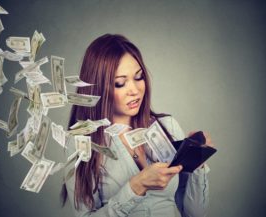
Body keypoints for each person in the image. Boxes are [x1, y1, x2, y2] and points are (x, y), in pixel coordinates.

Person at [62, 34, 213, 217]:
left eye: (139, 77)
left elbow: (194, 213)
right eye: (120, 83)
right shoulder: (81, 144)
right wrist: (136, 186)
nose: (134, 90)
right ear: (98, 89)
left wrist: (197, 165)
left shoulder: (168, 126)